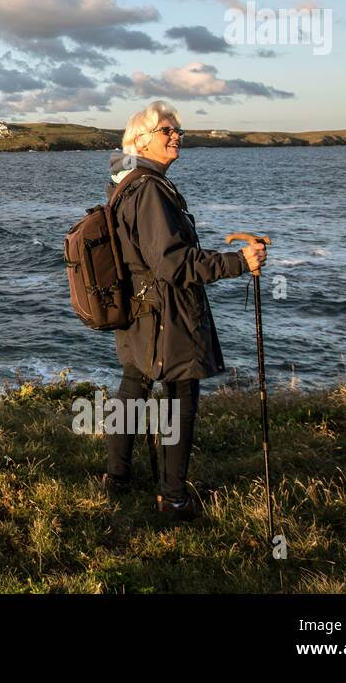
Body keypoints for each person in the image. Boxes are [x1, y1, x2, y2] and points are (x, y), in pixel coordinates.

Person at [100, 100, 266, 520]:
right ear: (142, 140)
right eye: (167, 131)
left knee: (134, 387)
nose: (177, 137)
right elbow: (173, 263)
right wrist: (238, 263)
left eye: (178, 131)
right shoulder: (151, 190)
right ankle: (173, 499)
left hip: (138, 310)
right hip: (167, 314)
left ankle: (116, 479)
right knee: (179, 397)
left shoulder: (127, 184)